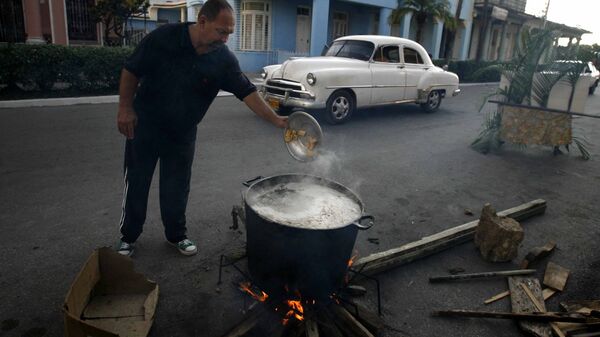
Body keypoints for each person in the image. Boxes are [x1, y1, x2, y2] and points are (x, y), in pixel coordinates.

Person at [116, 0, 287, 257]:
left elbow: (248, 93)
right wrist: (125, 108)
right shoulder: (165, 37)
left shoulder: (224, 60)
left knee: (176, 186)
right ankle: (128, 237)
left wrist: (277, 120)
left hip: (182, 133)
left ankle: (176, 236)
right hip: (146, 126)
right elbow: (131, 70)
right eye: (222, 31)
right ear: (203, 21)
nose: (226, 39)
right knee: (137, 182)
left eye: (230, 33)